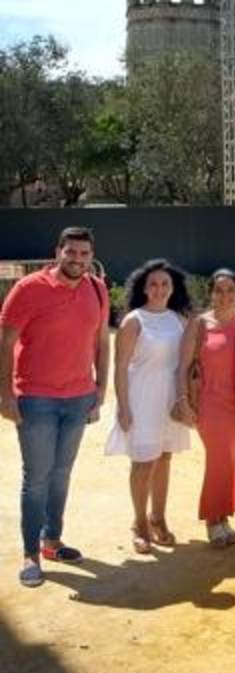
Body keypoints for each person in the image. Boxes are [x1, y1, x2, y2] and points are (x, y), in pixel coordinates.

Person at [0, 227, 110, 587]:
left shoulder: (97, 288)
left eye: (84, 254)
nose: (78, 260)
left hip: (78, 397)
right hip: (36, 398)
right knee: (37, 479)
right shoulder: (29, 288)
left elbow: (101, 343)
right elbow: (6, 342)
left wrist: (100, 388)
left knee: (61, 473)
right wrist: (4, 394)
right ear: (58, 252)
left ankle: (52, 541)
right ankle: (31, 555)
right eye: (71, 252)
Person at [104, 259, 193, 555]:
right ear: (143, 287)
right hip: (141, 400)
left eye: (164, 284)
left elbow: (187, 365)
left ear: (172, 288)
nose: (159, 289)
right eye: (153, 283)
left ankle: (159, 518)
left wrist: (186, 401)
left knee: (165, 458)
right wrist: (123, 407)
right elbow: (119, 368)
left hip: (170, 401)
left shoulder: (179, 320)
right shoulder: (134, 321)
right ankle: (139, 524)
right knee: (143, 463)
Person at [176, 269, 235, 549]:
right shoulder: (200, 324)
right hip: (210, 403)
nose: (225, 295)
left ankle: (224, 516)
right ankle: (212, 519)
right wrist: (183, 401)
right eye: (219, 290)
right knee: (219, 460)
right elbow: (182, 366)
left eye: (231, 289)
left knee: (234, 461)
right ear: (211, 293)